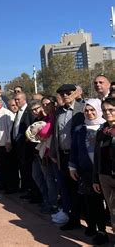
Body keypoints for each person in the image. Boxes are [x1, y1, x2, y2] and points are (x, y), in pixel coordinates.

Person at [69, 99, 108, 245]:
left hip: (104, 172)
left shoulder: (106, 127)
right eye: (86, 110)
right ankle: (97, 229)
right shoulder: (80, 129)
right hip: (86, 172)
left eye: (92, 110)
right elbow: (74, 150)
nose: (89, 113)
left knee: (108, 204)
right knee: (92, 203)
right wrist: (72, 167)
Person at [49, 84, 85, 229]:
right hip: (62, 156)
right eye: (62, 94)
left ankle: (91, 223)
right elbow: (55, 134)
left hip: (76, 156)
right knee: (67, 188)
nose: (65, 96)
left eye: (68, 93)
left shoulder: (81, 109)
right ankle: (74, 219)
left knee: (80, 189)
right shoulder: (58, 112)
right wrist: (53, 152)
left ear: (75, 93)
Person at [93, 97, 115, 235]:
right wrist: (96, 178)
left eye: (111, 109)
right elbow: (97, 155)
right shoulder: (102, 131)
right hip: (104, 176)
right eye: (104, 110)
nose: (108, 113)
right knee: (112, 209)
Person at [13, 93, 36, 201]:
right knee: (23, 170)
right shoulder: (18, 111)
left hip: (27, 147)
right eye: (15, 99)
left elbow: (32, 127)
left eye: (18, 99)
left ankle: (33, 192)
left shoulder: (29, 111)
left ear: (24, 99)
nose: (16, 101)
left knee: (29, 170)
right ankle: (26, 189)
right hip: (19, 146)